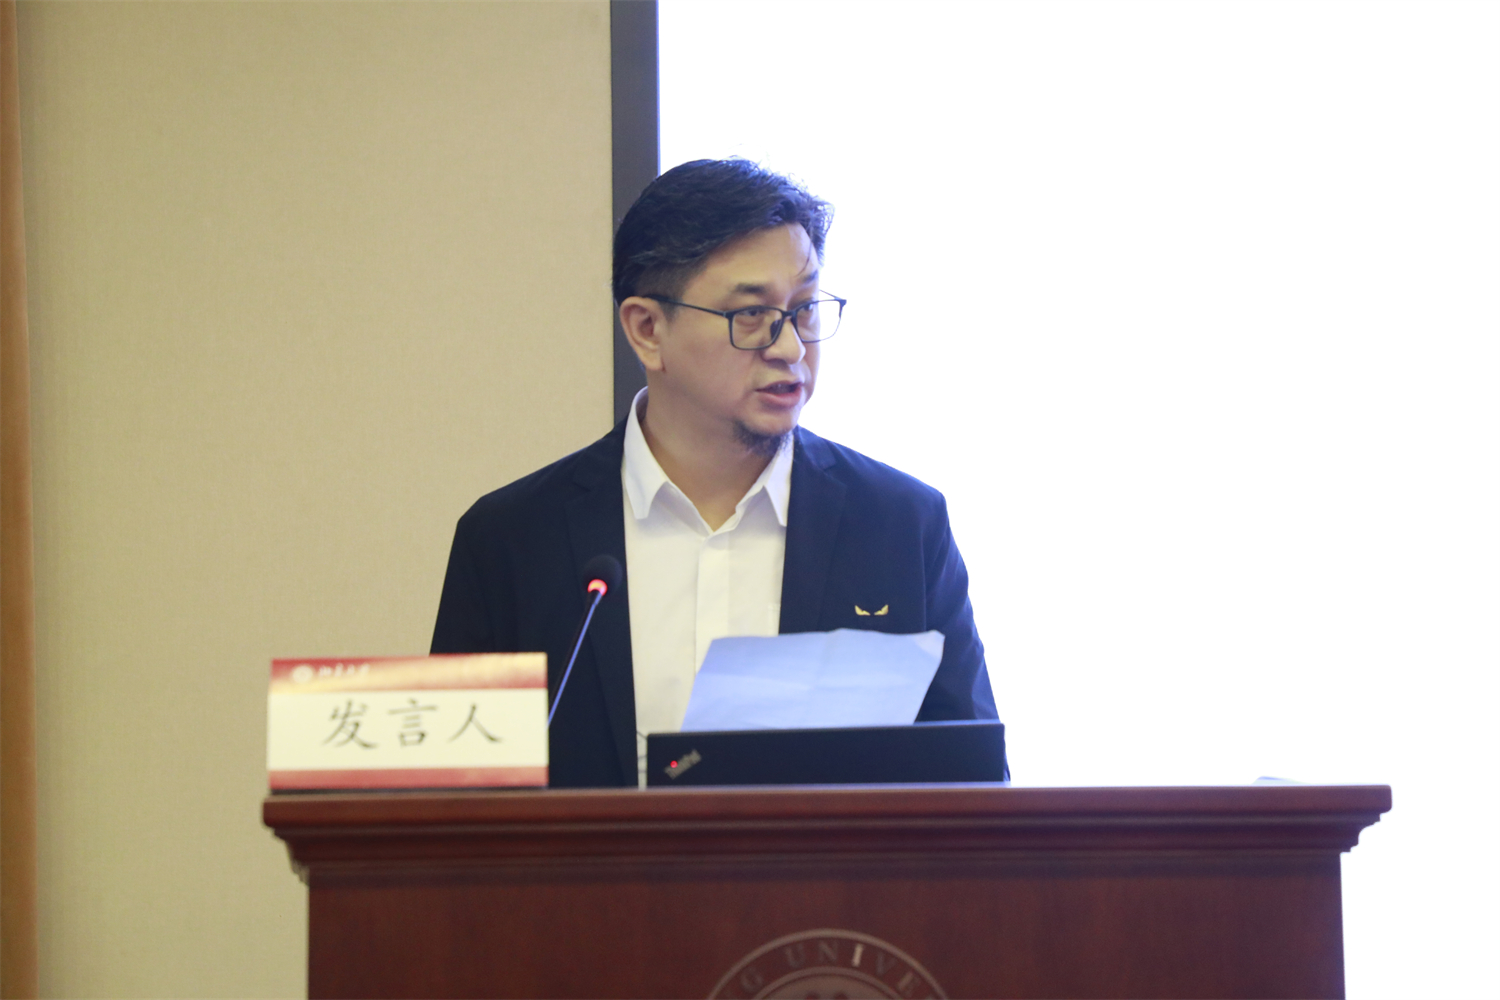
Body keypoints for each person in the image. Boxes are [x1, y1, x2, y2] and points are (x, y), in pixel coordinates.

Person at [432, 159, 997, 787]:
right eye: (750, 315)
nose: (790, 348)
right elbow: (458, 800)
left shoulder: (899, 525)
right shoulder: (511, 541)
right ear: (647, 330)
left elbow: (973, 783)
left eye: (805, 309)